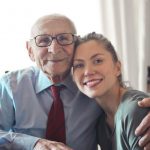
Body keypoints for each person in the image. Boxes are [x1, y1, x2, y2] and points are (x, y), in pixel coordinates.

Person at [0, 14, 149, 150]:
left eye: (63, 38)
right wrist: (34, 143)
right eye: (43, 40)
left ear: (75, 46)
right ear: (30, 50)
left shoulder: (91, 87)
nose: (54, 49)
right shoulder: (10, 86)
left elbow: (126, 102)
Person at [72, 32, 150, 150]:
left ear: (117, 68)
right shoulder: (100, 122)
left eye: (98, 61)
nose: (87, 71)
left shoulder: (135, 109)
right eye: (79, 65)